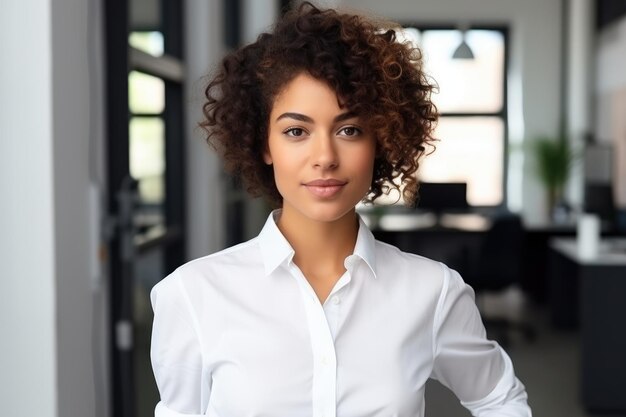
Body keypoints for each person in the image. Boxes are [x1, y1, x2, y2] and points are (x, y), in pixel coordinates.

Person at [149, 2, 532, 416]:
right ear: (264, 145)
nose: (325, 157)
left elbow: (499, 398)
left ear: (380, 141)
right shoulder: (193, 295)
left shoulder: (432, 292)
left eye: (349, 130)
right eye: (296, 131)